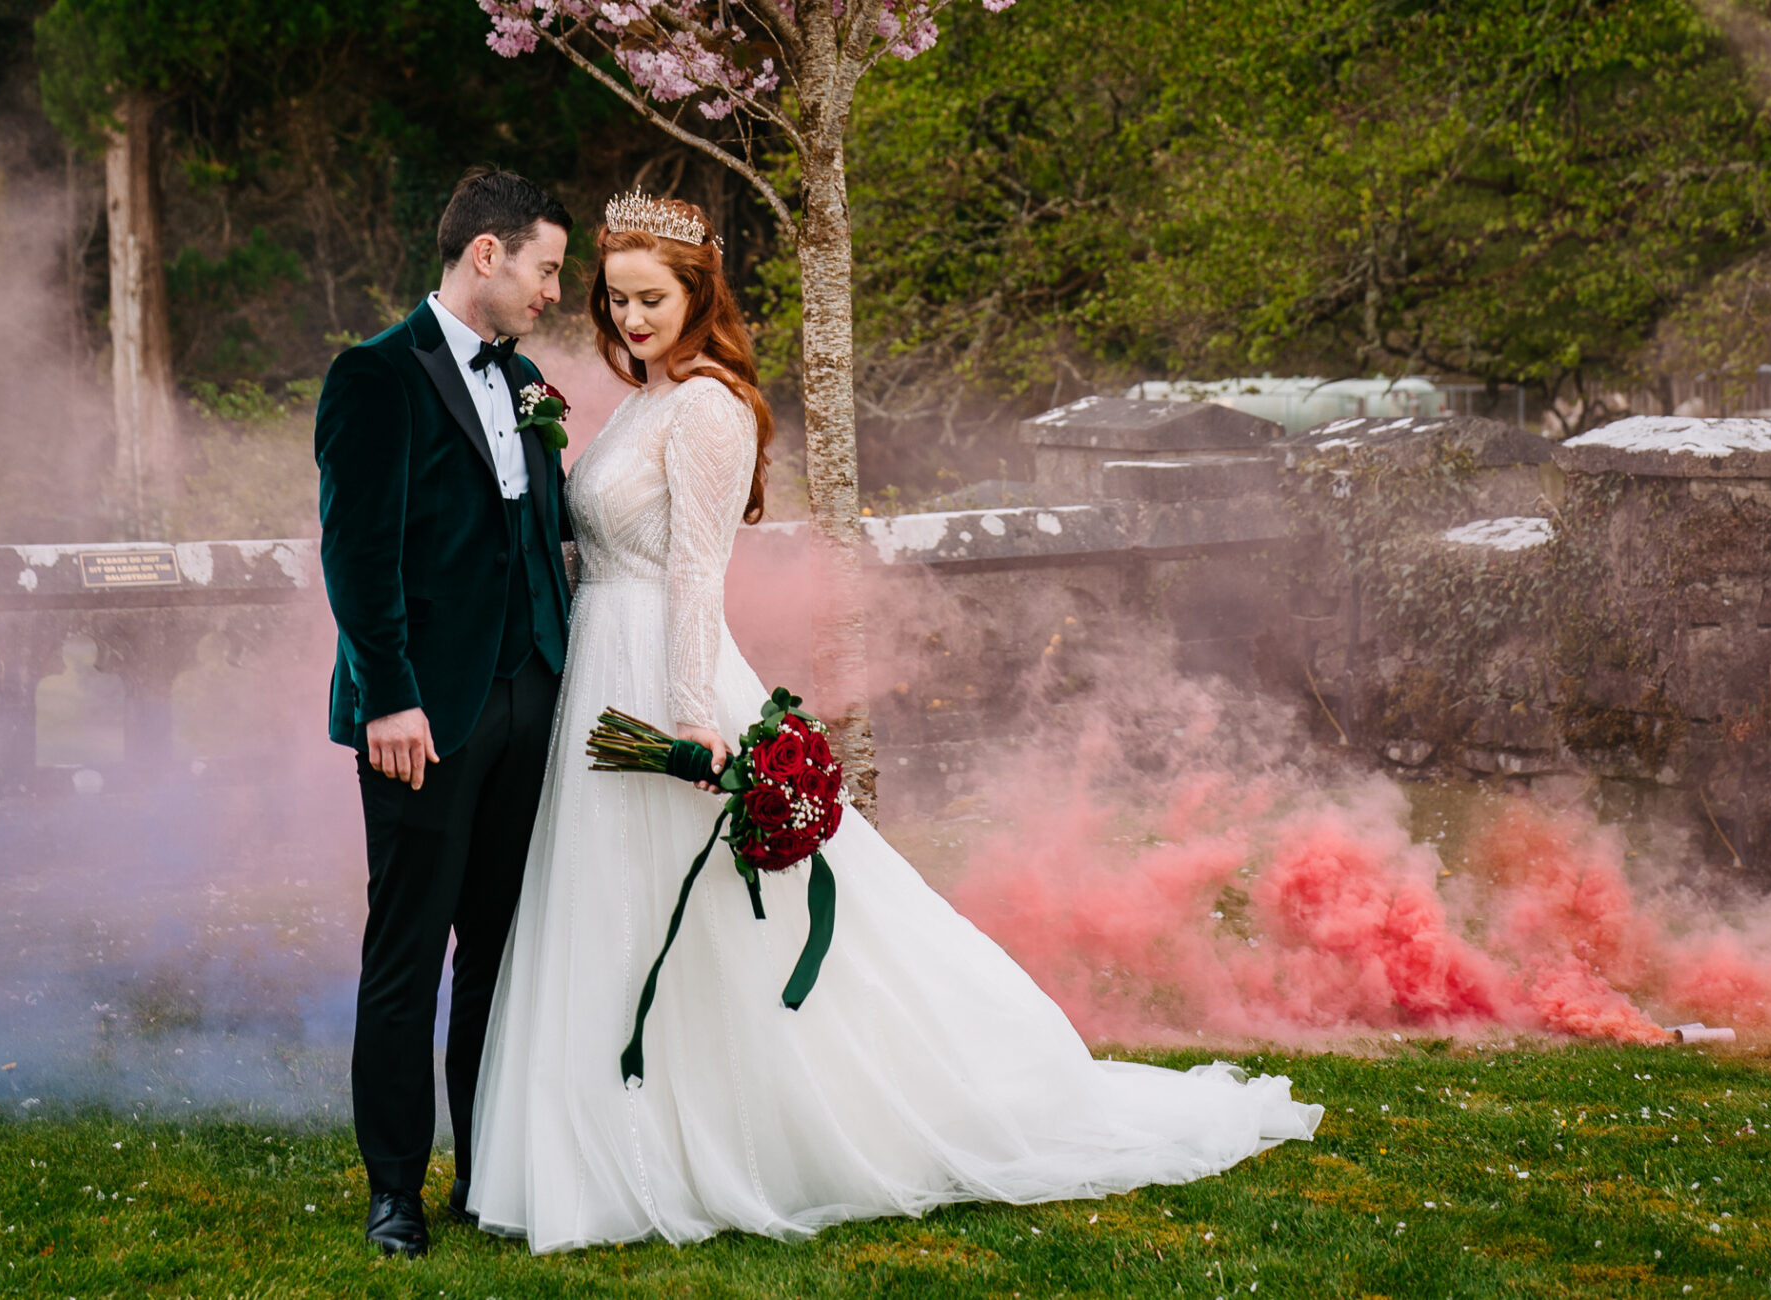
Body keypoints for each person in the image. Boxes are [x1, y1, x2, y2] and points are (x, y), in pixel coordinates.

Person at [466, 190, 1322, 1252]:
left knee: (707, 921)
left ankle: (745, 1133)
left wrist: (694, 721)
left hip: (659, 675)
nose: (633, 317)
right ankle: (611, 1143)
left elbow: (695, 575)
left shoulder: (710, 409)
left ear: (700, 297)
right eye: (619, 298)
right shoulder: (642, 402)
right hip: (598, 670)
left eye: (655, 299)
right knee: (611, 910)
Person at [314, 166, 574, 1258]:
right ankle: (394, 1193)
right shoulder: (376, 376)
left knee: (501, 951)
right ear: (487, 255)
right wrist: (392, 698)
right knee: (408, 950)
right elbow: (357, 554)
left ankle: (483, 1170)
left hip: (531, 698)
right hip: (421, 717)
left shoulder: (526, 381)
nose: (556, 292)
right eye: (547, 268)